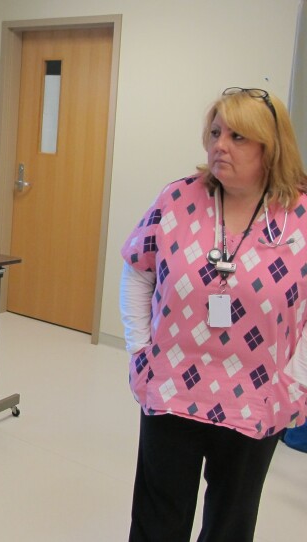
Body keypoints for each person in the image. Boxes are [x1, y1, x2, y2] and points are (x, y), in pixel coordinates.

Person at [119, 86, 307, 542]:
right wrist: (140, 348)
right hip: (173, 384)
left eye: (238, 137)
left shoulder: (300, 216)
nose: (220, 145)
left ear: (272, 147)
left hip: (258, 393)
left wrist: (297, 377)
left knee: (231, 522)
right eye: (216, 132)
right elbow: (138, 270)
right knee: (157, 517)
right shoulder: (179, 200)